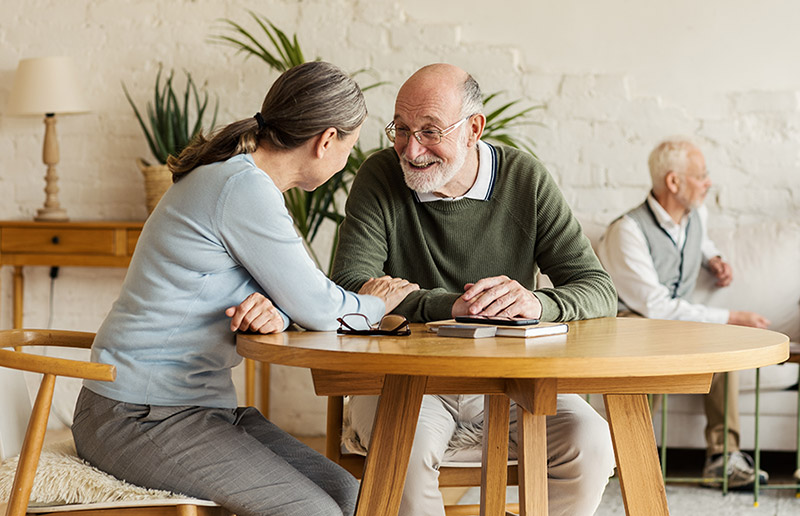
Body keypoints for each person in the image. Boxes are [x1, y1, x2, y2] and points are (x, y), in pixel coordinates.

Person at [71, 61, 418, 516]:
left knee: (350, 496)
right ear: (326, 140)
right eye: (349, 147)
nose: (345, 161)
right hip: (137, 414)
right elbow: (321, 307)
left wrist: (275, 309)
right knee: (315, 512)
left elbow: (286, 293)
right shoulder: (241, 188)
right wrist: (379, 301)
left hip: (194, 410)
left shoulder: (242, 181)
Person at [330, 63, 619, 516]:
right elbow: (350, 289)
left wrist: (535, 303)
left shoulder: (524, 178)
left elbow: (598, 289)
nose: (411, 148)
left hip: (513, 379)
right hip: (407, 381)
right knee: (401, 450)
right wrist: (453, 307)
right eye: (401, 129)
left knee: (592, 442)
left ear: (473, 129)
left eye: (429, 131)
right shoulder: (380, 176)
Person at [596, 136, 771, 489]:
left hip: (671, 322)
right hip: (634, 322)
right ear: (674, 183)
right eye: (701, 175)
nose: (709, 183)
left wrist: (714, 258)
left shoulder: (695, 214)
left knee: (722, 345)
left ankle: (723, 459)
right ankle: (629, 455)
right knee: (656, 338)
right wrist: (734, 317)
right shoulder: (626, 231)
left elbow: (697, 238)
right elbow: (654, 307)